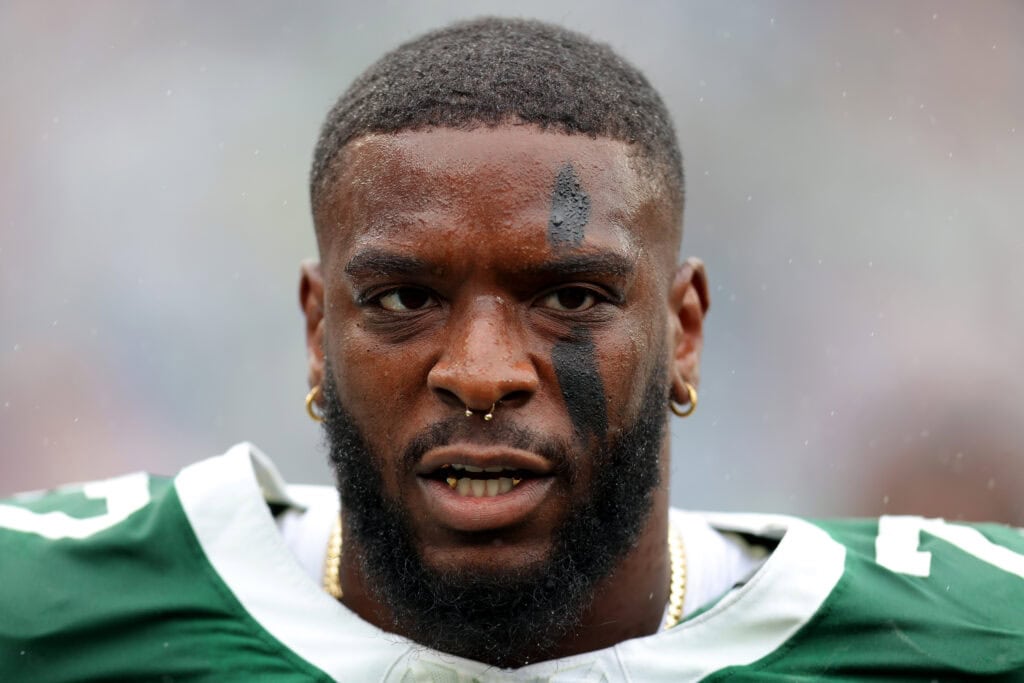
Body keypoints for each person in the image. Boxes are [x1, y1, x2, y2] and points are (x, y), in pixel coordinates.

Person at [1, 17, 1022, 681]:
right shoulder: (51, 610)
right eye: (404, 296)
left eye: (570, 296)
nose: (482, 370)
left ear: (686, 332)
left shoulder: (967, 637)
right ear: (318, 332)